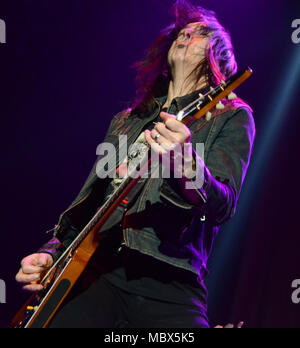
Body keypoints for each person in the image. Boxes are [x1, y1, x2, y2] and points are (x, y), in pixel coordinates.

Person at [15, 0, 255, 328]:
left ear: (220, 58)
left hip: (169, 276)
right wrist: (53, 252)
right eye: (182, 33)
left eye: (200, 34)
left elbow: (222, 205)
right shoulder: (126, 121)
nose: (186, 36)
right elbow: (90, 202)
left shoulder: (231, 115)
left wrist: (186, 164)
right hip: (98, 269)